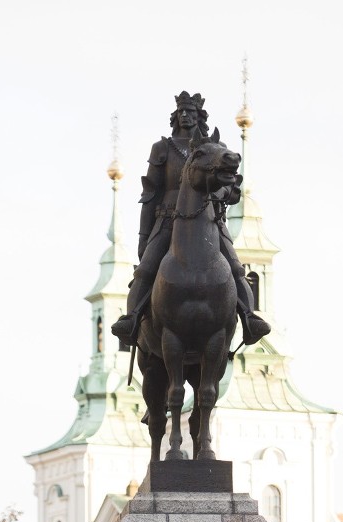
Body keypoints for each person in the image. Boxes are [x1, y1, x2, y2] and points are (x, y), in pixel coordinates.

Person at [111, 91, 270, 349]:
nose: (185, 116)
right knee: (146, 268)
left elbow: (230, 186)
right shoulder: (163, 149)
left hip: (208, 222)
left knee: (235, 266)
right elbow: (151, 193)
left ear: (199, 117)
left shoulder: (213, 150)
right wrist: (143, 236)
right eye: (181, 112)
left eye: (191, 112)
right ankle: (131, 320)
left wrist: (223, 191)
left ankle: (250, 318)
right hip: (167, 220)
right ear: (175, 117)